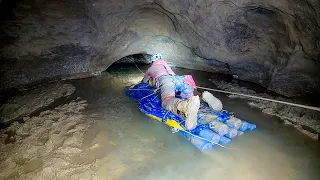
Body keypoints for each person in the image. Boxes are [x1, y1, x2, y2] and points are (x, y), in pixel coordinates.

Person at [142, 53, 223, 130]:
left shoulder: (151, 68)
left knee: (167, 100)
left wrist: (146, 80)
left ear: (152, 61)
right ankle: (203, 95)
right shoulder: (166, 65)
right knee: (191, 93)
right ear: (161, 59)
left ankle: (186, 106)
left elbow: (145, 81)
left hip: (166, 81)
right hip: (179, 79)